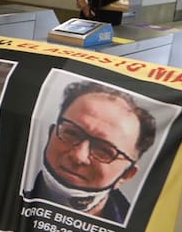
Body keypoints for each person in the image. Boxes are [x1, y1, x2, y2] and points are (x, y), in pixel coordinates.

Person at [24, 80, 157, 223]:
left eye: (104, 150)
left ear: (126, 175)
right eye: (71, 133)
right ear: (51, 134)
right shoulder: (3, 194)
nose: (78, 156)